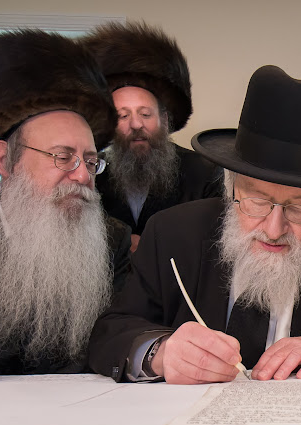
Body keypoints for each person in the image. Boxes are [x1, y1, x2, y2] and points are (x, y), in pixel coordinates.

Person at [88, 65, 301, 384]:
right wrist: (159, 352)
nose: (274, 230)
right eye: (257, 201)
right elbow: (111, 331)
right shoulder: (171, 234)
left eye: (299, 207)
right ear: (231, 188)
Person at [0, 30, 132, 375]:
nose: (82, 175)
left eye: (90, 161)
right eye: (62, 157)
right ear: (5, 160)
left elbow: (116, 337)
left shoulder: (114, 240)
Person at [82, 22, 222, 252]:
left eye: (145, 114)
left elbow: (213, 243)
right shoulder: (91, 174)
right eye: (123, 115)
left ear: (164, 120)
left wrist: (151, 247)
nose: (136, 124)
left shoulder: (205, 174)